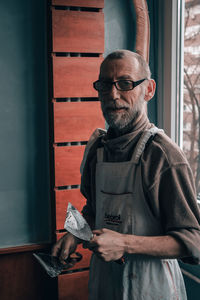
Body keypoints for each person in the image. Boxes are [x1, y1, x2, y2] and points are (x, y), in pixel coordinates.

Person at [52, 50, 200, 300]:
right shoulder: (97, 148)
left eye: (125, 83)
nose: (113, 94)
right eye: (105, 85)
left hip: (152, 288)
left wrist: (124, 244)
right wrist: (74, 234)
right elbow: (93, 208)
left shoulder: (164, 156)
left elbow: (194, 242)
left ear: (149, 89)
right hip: (104, 284)